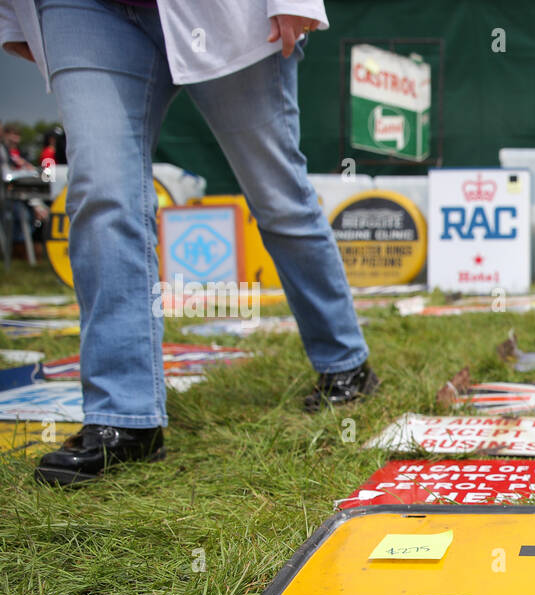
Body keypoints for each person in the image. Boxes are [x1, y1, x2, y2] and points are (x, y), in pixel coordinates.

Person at [0, 0, 380, 486]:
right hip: (81, 10)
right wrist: (14, 18)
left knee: (277, 193)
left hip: (224, 13)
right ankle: (125, 418)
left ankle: (343, 361)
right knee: (101, 192)